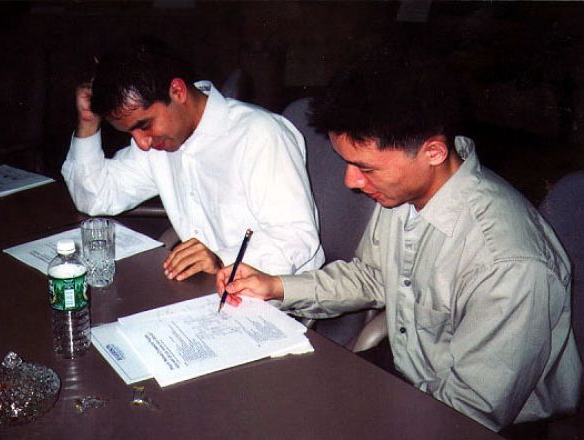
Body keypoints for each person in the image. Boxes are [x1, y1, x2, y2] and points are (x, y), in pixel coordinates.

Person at [215, 57, 582, 432]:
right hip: (410, 375)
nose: (351, 182)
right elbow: (373, 277)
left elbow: (469, 413)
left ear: (433, 152)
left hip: (481, 421)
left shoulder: (507, 262)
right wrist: (275, 286)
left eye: (366, 168)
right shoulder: (407, 192)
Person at [62, 42, 324, 281]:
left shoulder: (259, 135)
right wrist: (88, 121)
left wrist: (222, 258)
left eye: (144, 125)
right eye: (131, 132)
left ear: (177, 91)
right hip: (207, 291)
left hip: (272, 295)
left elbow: (297, 238)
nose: (142, 143)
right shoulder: (161, 139)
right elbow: (97, 196)